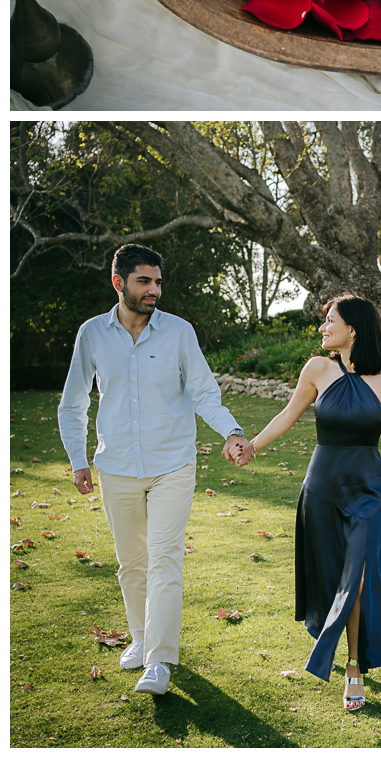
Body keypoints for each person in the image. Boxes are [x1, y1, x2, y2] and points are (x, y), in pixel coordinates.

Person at [57, 244, 251, 695]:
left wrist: (232, 431)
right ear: (118, 282)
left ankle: (160, 661)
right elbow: (73, 403)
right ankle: (141, 638)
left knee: (165, 559)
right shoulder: (92, 334)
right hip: (117, 466)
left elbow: (204, 393)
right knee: (132, 563)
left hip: (172, 463)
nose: (154, 290)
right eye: (144, 281)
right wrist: (78, 460)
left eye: (158, 282)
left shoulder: (179, 332)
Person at [234, 292, 381, 711]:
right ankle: (343, 654)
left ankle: (352, 667)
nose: (323, 327)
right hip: (322, 489)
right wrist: (253, 445)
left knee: (359, 579)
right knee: (333, 578)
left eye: (330, 320)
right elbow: (288, 415)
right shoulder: (317, 369)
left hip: (368, 491)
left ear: (353, 328)